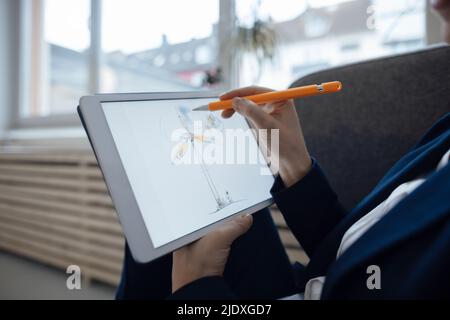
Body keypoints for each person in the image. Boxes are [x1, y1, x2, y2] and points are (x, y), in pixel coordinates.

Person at [116, 0, 450, 299]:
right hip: (325, 276)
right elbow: (365, 247)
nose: (435, 2)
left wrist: (196, 284)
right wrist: (293, 165)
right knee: (169, 209)